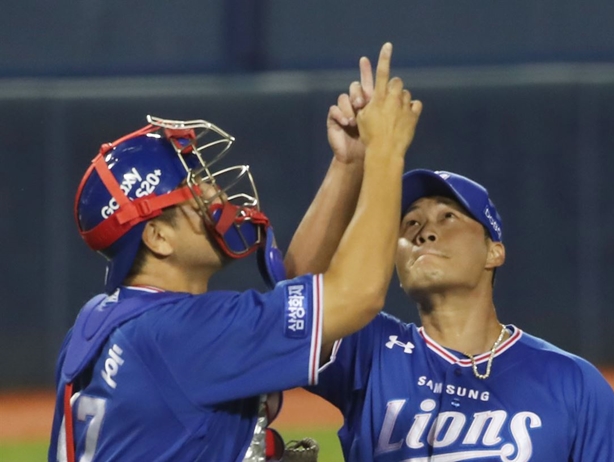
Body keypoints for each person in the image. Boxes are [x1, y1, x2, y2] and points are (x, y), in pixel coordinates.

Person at [48, 42, 423, 462]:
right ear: (157, 238)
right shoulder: (179, 335)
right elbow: (356, 295)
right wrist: (386, 152)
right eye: (193, 192)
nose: (215, 193)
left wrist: (350, 164)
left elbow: (300, 299)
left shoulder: (107, 320)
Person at [285, 68, 614, 461]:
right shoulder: (372, 353)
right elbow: (299, 301)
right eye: (411, 224)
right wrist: (348, 164)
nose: (424, 233)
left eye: (448, 218)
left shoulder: (572, 382)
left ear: (494, 252)